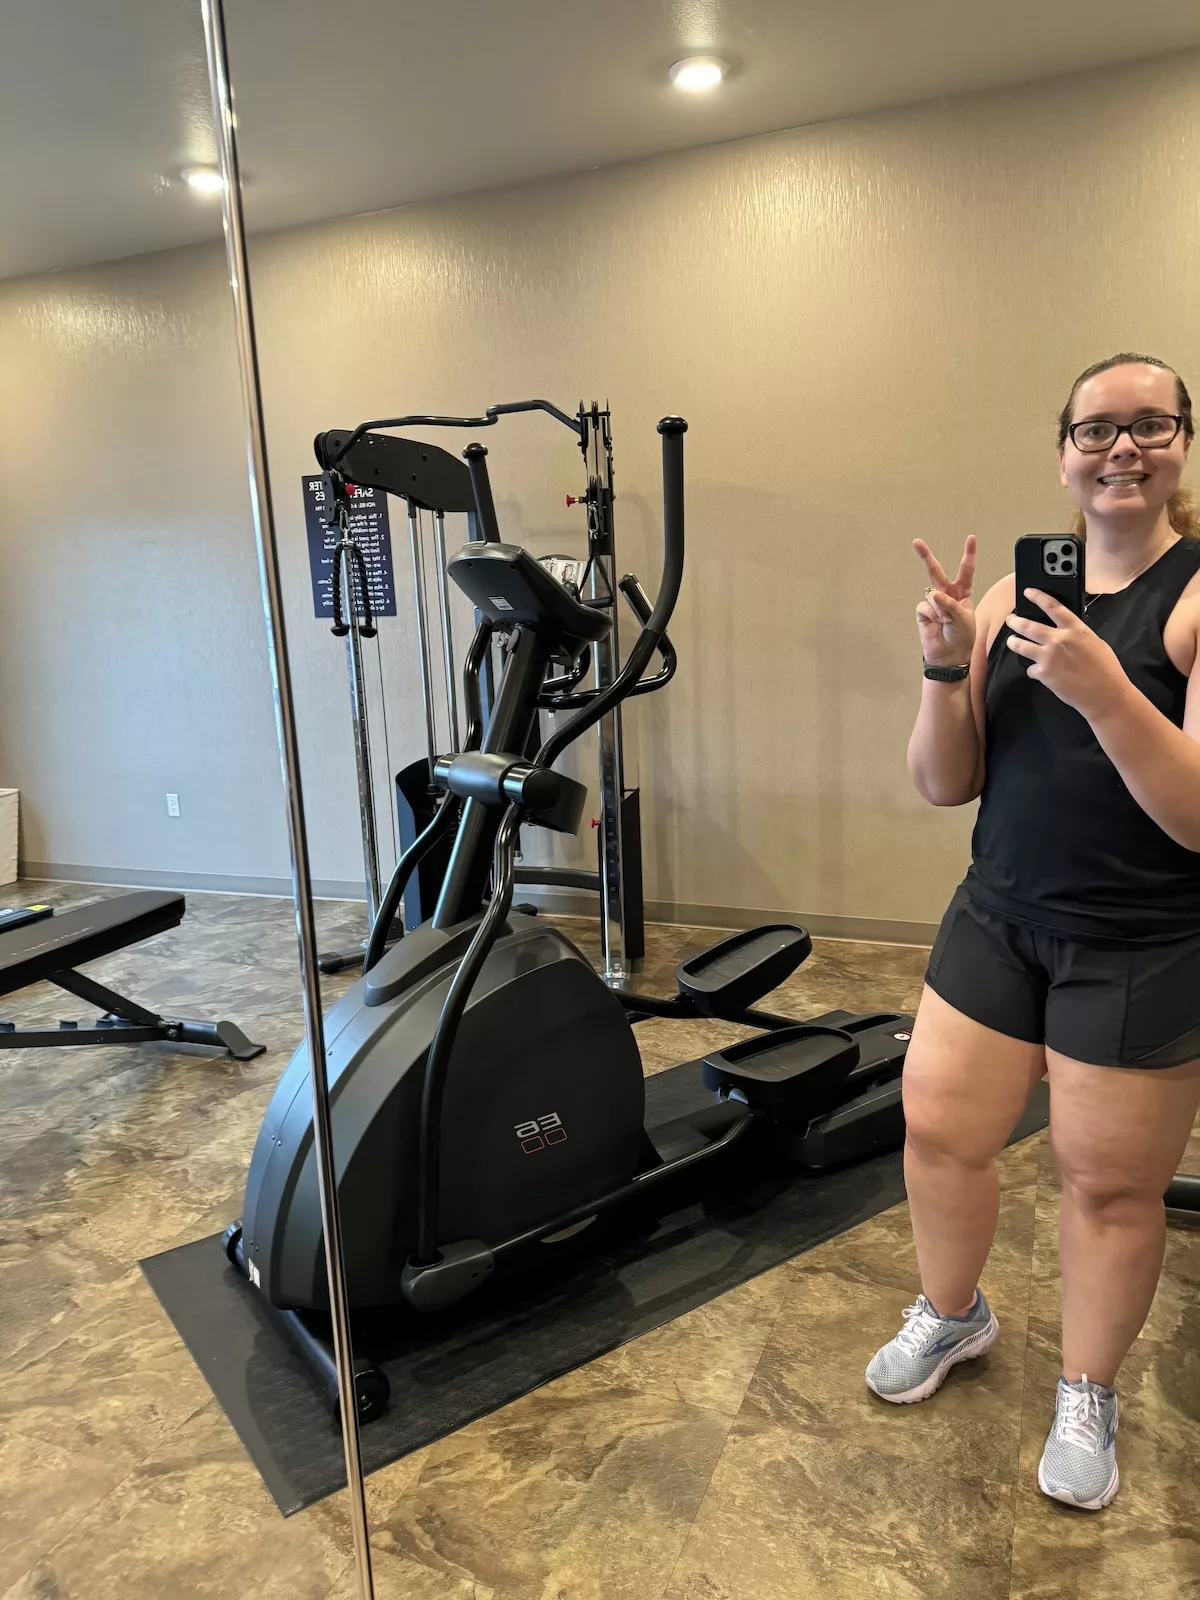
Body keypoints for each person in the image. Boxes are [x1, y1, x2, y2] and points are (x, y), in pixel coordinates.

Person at [866, 353, 1200, 1511]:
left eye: (1149, 425)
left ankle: (1087, 1389)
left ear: (1181, 447)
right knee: (940, 1132)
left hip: (1139, 937)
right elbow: (942, 783)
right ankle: (954, 1314)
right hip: (997, 917)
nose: (1122, 447)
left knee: (1107, 1185)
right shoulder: (1015, 596)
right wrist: (944, 664)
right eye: (1097, 428)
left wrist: (1107, 686)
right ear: (1063, 451)